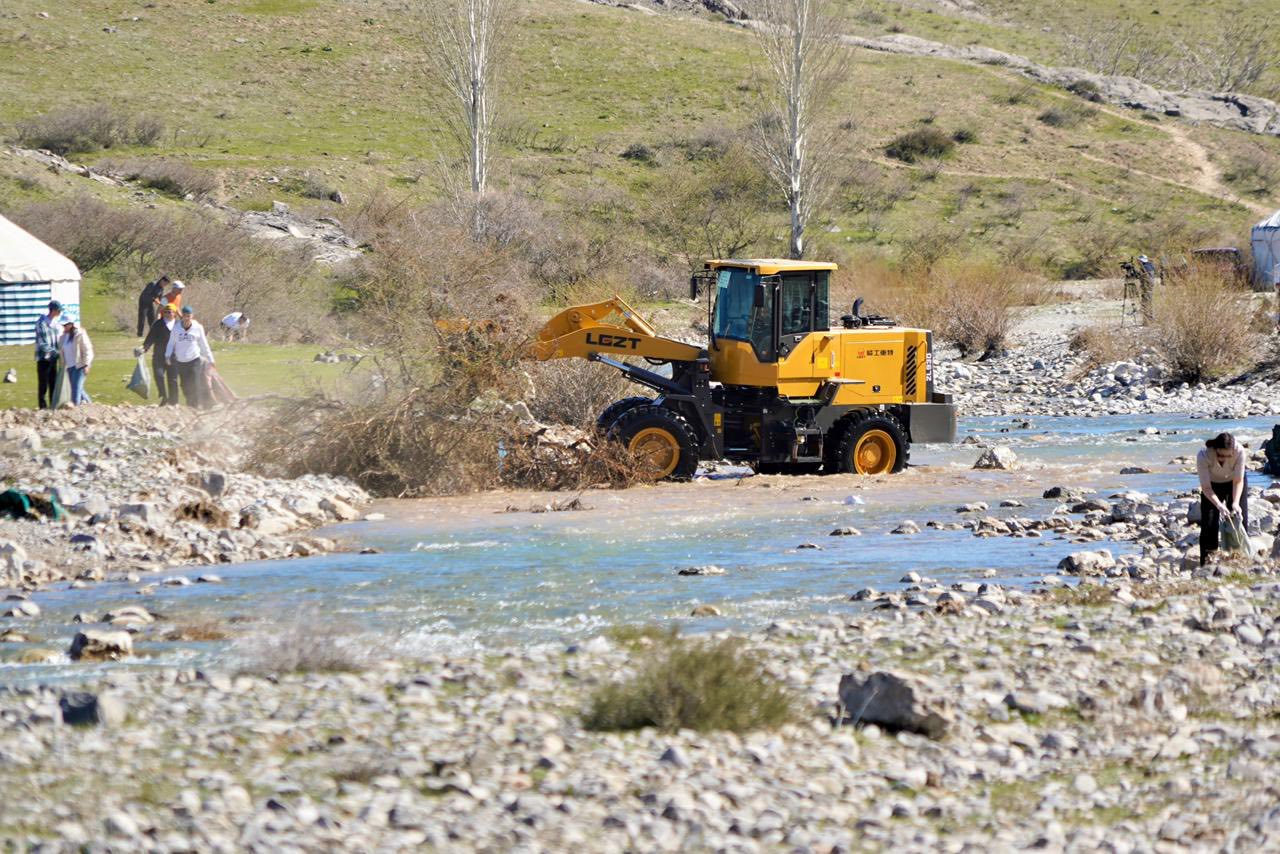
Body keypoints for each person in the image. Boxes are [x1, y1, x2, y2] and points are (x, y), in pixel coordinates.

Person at [1198, 431, 1248, 566]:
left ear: (1233, 451)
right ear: (1215, 449)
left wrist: (1236, 503)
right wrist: (1219, 505)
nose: (1223, 459)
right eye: (1220, 456)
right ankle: (1207, 564)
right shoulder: (1203, 454)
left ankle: (1240, 561)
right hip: (1212, 486)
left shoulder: (1240, 451)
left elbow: (1238, 481)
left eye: (1228, 456)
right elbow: (1206, 487)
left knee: (1239, 520)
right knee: (1209, 525)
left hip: (1234, 482)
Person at [165, 306, 214, 408]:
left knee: (194, 383)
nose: (187, 318)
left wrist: (210, 359)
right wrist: (167, 355)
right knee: (184, 385)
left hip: (194, 360)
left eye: (189, 316)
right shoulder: (176, 328)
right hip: (181, 361)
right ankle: (190, 404)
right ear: (182, 316)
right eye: (185, 316)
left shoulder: (198, 327)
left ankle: (197, 406)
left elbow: (204, 344)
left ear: (192, 316)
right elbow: (171, 343)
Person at [142, 303, 179, 405]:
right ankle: (164, 396)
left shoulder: (179, 325)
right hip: (159, 356)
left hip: (174, 357)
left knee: (173, 379)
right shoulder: (158, 324)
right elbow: (150, 338)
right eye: (165, 312)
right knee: (159, 376)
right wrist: (145, 348)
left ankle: (174, 401)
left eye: (169, 312)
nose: (167, 314)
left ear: (175, 313)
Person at [59, 315, 94, 407]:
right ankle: (91, 406)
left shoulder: (80, 334)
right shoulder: (63, 337)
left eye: (66, 325)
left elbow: (88, 350)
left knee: (75, 389)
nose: (64, 327)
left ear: (71, 325)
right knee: (78, 388)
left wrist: (86, 364)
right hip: (70, 367)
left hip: (80, 366)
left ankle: (75, 408)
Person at [33, 301, 62, 409]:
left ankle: (53, 405)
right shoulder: (41, 323)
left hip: (53, 358)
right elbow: (42, 343)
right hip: (43, 358)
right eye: (58, 311)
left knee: (53, 383)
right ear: (53, 310)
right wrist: (56, 352)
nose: (59, 313)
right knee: (43, 384)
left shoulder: (55, 323)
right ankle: (42, 407)